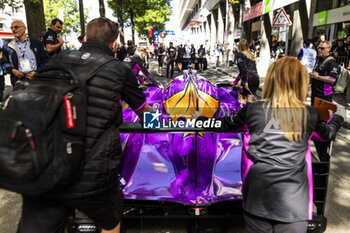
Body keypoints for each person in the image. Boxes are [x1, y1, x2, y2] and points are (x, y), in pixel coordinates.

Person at [16, 17, 152, 233]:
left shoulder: (56, 62)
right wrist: (165, 122)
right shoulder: (119, 69)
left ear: (86, 38)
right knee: (110, 219)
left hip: (45, 163)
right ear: (114, 43)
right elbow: (144, 112)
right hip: (92, 168)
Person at [219, 56, 343, 233]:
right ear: (301, 82)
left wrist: (198, 120)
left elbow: (224, 125)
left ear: (271, 80)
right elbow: (327, 135)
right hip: (294, 201)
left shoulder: (252, 110)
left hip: (257, 196)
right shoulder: (309, 114)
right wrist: (337, 119)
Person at [310, 40, 339, 162]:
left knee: (323, 125)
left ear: (328, 49)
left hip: (324, 97)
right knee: (316, 122)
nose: (319, 50)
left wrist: (318, 77)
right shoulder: (319, 60)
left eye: (322, 48)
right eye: (318, 48)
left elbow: (332, 79)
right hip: (315, 95)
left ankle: (324, 156)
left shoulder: (331, 62)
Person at [2, 20, 50, 86]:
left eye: (16, 27)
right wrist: (12, 70)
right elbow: (4, 61)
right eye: (12, 28)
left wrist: (37, 72)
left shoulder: (36, 43)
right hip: (18, 80)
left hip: (35, 79)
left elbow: (46, 60)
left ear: (24, 28)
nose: (13, 29)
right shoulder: (8, 44)